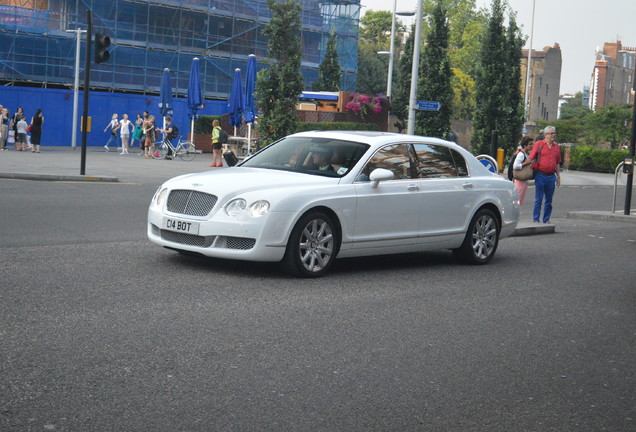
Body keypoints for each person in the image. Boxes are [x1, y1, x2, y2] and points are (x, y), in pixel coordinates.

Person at [529, 125, 561, 224]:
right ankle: (536, 219)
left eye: (554, 133)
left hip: (551, 176)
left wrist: (558, 176)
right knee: (538, 199)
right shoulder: (539, 144)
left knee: (549, 200)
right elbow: (531, 157)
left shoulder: (556, 147)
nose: (553, 135)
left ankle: (546, 219)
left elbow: (557, 163)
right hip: (540, 175)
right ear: (545, 134)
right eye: (551, 133)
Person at [512, 136, 534, 205]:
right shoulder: (521, 154)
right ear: (525, 145)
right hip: (520, 181)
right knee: (517, 201)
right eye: (530, 144)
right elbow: (515, 166)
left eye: (532, 144)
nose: (532, 146)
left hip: (524, 181)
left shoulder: (525, 154)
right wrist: (526, 163)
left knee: (520, 201)